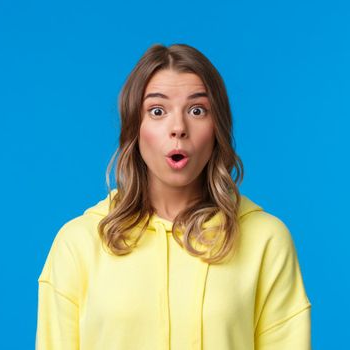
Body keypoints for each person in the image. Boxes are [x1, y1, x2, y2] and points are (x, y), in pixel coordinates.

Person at [35, 43, 312, 350]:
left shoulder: (266, 239)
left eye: (197, 110)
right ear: (134, 129)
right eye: (157, 111)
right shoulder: (78, 243)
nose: (178, 127)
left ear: (217, 127)